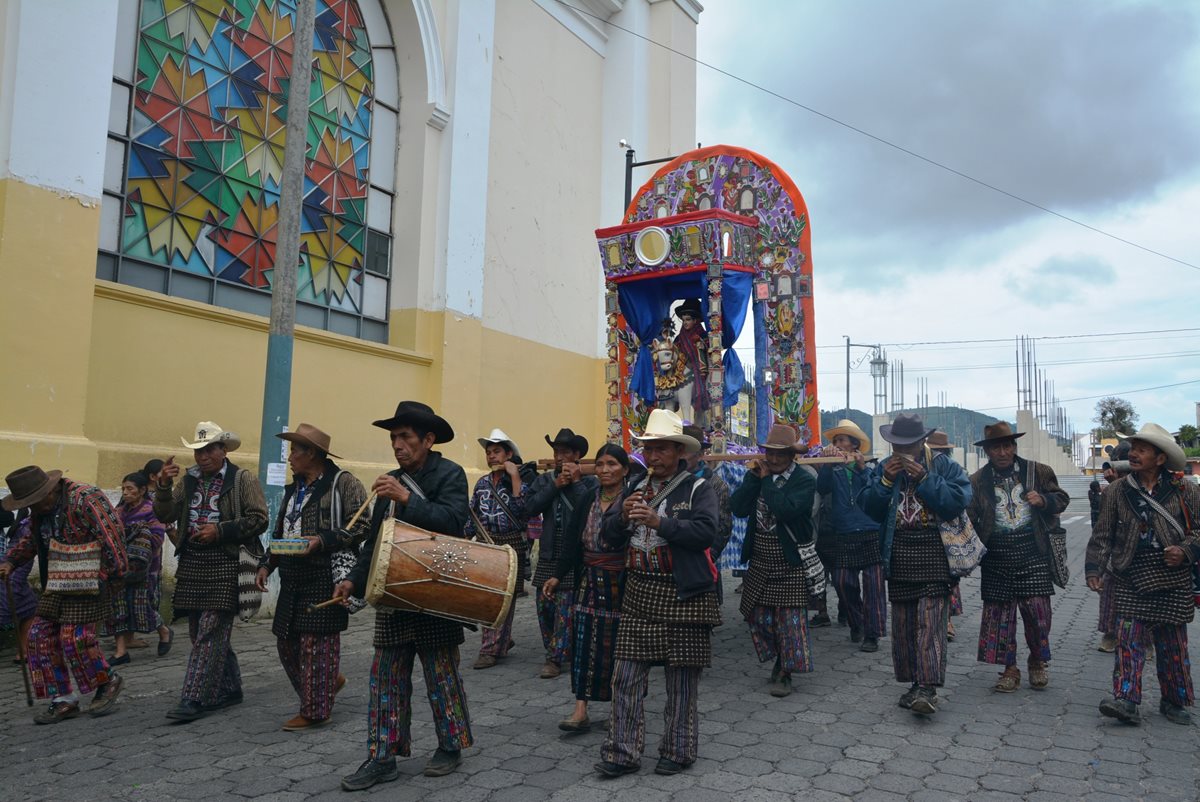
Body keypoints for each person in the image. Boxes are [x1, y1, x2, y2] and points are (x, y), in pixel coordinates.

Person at [334, 400, 473, 790]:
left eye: (405, 437)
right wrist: (354, 581)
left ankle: (450, 745)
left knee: (441, 675)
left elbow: (452, 523)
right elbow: (376, 541)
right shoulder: (388, 482)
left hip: (435, 592)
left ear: (428, 439)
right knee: (385, 679)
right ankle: (382, 756)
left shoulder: (450, 474)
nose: (397, 444)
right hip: (393, 595)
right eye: (394, 437)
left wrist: (407, 499)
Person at [595, 409, 721, 778]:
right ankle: (622, 752)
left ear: (679, 452)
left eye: (662, 449)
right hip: (639, 593)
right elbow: (608, 534)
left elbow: (705, 534)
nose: (653, 457)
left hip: (684, 595)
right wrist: (621, 519)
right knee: (625, 677)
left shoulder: (699, 488)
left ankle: (678, 751)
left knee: (681, 681)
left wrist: (660, 522)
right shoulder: (635, 488)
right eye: (649, 450)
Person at [255, 423, 370, 731]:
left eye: (295, 450)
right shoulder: (293, 489)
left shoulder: (343, 483)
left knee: (316, 645)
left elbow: (363, 525)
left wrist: (323, 540)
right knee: (286, 642)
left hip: (324, 573)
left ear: (312, 454)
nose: (290, 456)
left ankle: (316, 710)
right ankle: (328, 682)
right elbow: (280, 532)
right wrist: (268, 564)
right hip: (293, 574)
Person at [154, 422, 268, 722]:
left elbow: (259, 520)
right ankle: (230, 688)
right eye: (198, 451)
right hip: (193, 561)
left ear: (222, 450)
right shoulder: (189, 481)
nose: (202, 457)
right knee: (198, 631)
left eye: (208, 450)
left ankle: (194, 697)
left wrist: (219, 531)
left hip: (227, 562)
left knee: (210, 630)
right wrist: (163, 487)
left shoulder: (242, 479)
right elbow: (164, 514)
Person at [1086, 423, 1200, 725]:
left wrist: (1186, 551)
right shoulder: (1118, 491)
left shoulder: (1185, 490)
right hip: (1129, 576)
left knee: (1173, 644)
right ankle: (1126, 699)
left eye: (1141, 449)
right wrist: (1094, 569)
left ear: (1160, 458)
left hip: (1172, 578)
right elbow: (1102, 535)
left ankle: (1174, 700)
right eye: (1132, 448)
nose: (1133, 454)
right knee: (1128, 640)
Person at [859, 413, 971, 716]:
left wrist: (925, 478)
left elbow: (956, 502)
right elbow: (868, 508)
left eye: (909, 445)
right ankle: (913, 683)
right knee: (905, 624)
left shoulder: (944, 465)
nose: (903, 451)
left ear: (922, 441)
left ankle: (928, 687)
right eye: (898, 445)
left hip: (935, 552)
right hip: (898, 553)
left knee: (930, 622)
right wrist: (885, 481)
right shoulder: (884, 467)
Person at [0, 465, 128, 723]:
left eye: (36, 502)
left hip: (91, 579)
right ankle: (63, 700)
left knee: (75, 638)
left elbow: (112, 537)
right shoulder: (40, 510)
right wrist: (10, 561)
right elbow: (32, 539)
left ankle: (107, 681)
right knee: (38, 637)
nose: (33, 509)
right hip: (57, 580)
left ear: (50, 490)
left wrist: (115, 576)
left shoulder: (86, 498)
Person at [967, 422, 1069, 693]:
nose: (1002, 452)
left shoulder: (1038, 472)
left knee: (1038, 613)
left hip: (1033, 552)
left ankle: (1037, 660)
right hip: (996, 557)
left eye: (1006, 446)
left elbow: (1062, 499)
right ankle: (1009, 669)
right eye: (995, 447)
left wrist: (1045, 500)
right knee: (1000, 618)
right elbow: (970, 516)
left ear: (1014, 447)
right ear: (987, 451)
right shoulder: (977, 481)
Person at [543, 443, 631, 732]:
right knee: (583, 643)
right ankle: (580, 708)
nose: (605, 470)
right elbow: (571, 540)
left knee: (620, 646)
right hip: (588, 579)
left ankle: (620, 708)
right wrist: (557, 575)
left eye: (613, 465)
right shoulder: (587, 499)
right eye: (601, 464)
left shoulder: (631, 499)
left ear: (625, 470)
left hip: (620, 581)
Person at [730, 424, 816, 697]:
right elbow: (738, 508)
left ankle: (784, 670)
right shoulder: (758, 476)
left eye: (781, 454)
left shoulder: (804, 480)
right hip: (761, 558)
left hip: (789, 560)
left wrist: (766, 481)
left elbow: (786, 510)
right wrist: (754, 480)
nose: (775, 459)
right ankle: (779, 655)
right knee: (758, 616)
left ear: (792, 455)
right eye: (770, 453)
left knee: (788, 620)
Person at [524, 428, 597, 679]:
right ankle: (556, 647)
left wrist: (574, 483)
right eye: (556, 451)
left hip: (572, 554)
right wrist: (555, 485)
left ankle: (555, 657)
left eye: (565, 451)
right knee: (544, 606)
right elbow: (529, 507)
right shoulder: (544, 480)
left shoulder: (589, 481)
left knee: (565, 608)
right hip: (547, 552)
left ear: (576, 455)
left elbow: (588, 509)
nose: (559, 457)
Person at [818, 419, 886, 652]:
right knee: (842, 582)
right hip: (844, 530)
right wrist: (826, 463)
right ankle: (856, 622)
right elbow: (822, 488)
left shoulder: (869, 465)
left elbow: (876, 490)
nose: (837, 444)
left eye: (842, 440)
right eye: (835, 440)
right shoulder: (832, 465)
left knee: (874, 586)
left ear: (854, 444)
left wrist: (860, 468)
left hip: (870, 530)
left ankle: (872, 634)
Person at [467, 429, 531, 669]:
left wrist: (515, 478)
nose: (492, 457)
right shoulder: (482, 482)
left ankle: (491, 648)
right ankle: (497, 642)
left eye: (496, 452)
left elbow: (524, 511)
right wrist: (464, 536)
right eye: (489, 453)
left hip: (511, 544)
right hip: (486, 543)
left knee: (505, 598)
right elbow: (472, 512)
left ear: (509, 454)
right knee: (488, 597)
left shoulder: (523, 478)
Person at [104, 471, 172, 664]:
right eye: (123, 489)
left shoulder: (153, 510)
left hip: (145, 569)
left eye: (130, 489)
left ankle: (164, 630)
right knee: (118, 605)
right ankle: (120, 651)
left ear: (142, 490)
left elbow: (157, 538)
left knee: (142, 606)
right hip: (120, 568)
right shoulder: (119, 512)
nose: (125, 493)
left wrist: (137, 538)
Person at [683, 425, 732, 603]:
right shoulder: (667, 480)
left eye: (687, 450)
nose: (682, 455)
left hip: (703, 563)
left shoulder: (715, 484)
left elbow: (723, 528)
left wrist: (707, 557)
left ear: (700, 454)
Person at [1095, 443, 1132, 653]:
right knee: (1109, 593)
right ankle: (1110, 633)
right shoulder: (1111, 490)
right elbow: (1105, 523)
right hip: (1114, 550)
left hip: (1141, 550)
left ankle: (1146, 641)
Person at [928, 433, 963, 641]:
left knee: (949, 577)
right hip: (930, 532)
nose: (936, 454)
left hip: (948, 530)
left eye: (939, 451)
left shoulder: (953, 469)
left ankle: (947, 619)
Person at [0, 504, 36, 662]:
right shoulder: (27, 526)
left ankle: (23, 652)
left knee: (31, 609)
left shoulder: (24, 523)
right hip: (13, 575)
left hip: (13, 573)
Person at [672, 299, 710, 425]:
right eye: (683, 320)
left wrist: (702, 345)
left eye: (688, 319)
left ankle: (701, 423)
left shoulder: (703, 335)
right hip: (681, 372)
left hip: (701, 372)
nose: (685, 323)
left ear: (695, 320)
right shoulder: (678, 338)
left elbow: (711, 350)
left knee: (703, 391)